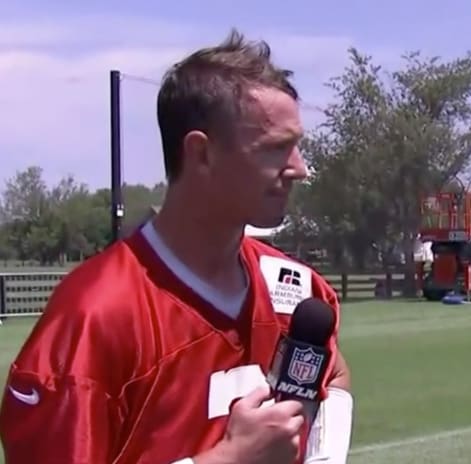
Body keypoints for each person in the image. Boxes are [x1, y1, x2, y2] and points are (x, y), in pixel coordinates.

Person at [0, 30, 354, 464]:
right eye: (276, 149)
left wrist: (323, 456)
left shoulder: (296, 289)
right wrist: (231, 459)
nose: (300, 168)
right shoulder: (93, 317)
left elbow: (333, 372)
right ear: (201, 154)